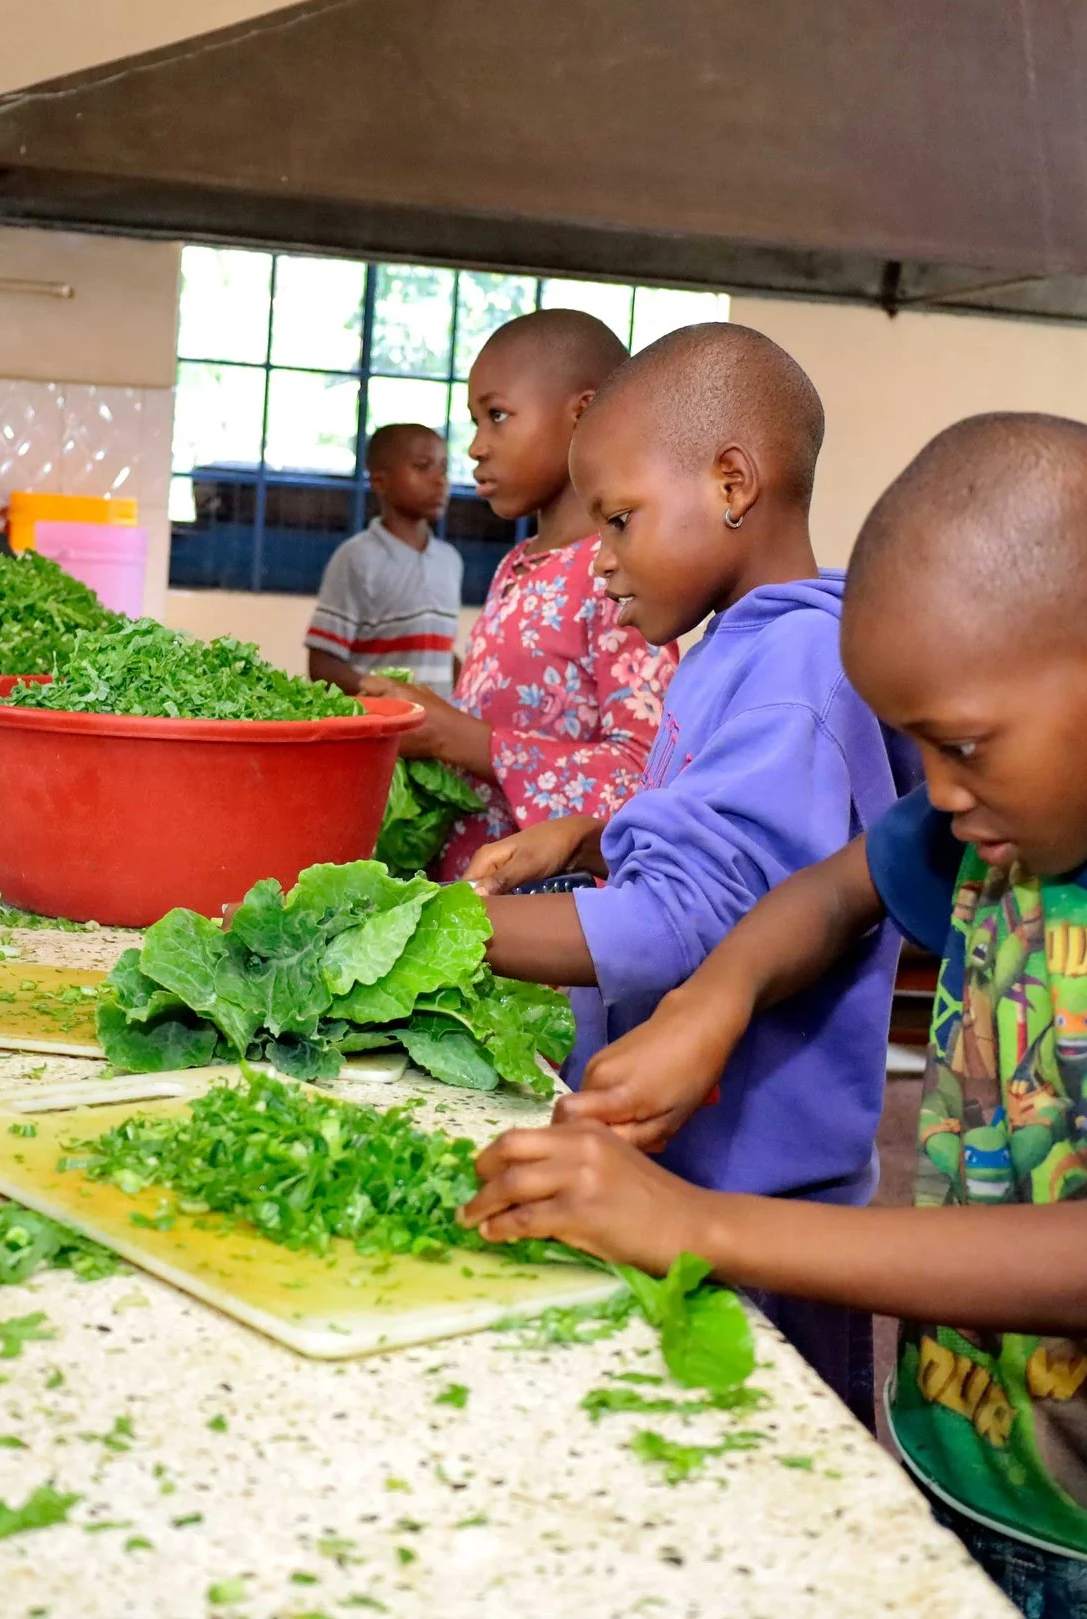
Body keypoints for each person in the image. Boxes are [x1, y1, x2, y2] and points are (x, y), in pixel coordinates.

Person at [459, 413, 1087, 1619]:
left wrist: (692, 1222)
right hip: (939, 1490)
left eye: (963, 743)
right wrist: (712, 1004)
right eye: (919, 745)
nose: (942, 789)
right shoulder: (1001, 824)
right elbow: (827, 893)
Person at [466, 322, 914, 1422]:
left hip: (755, 1214)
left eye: (619, 519)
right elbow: (735, 844)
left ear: (730, 482)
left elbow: (683, 922)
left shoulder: (796, 668)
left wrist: (411, 927)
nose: (602, 554)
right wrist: (588, 834)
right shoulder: (749, 648)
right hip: (692, 1182)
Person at [391, 310, 676, 877]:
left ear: (585, 413)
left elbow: (642, 775)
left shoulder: (620, 573)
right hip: (475, 903)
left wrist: (461, 740)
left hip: (557, 927)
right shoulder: (515, 566)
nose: (474, 447)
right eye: (475, 421)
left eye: (497, 416)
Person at [304, 423, 464, 696]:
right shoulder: (357, 558)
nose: (440, 480)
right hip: (383, 730)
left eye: (444, 468)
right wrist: (381, 689)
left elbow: (435, 653)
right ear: (380, 483)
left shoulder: (450, 561)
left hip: (437, 734)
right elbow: (323, 663)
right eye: (423, 466)